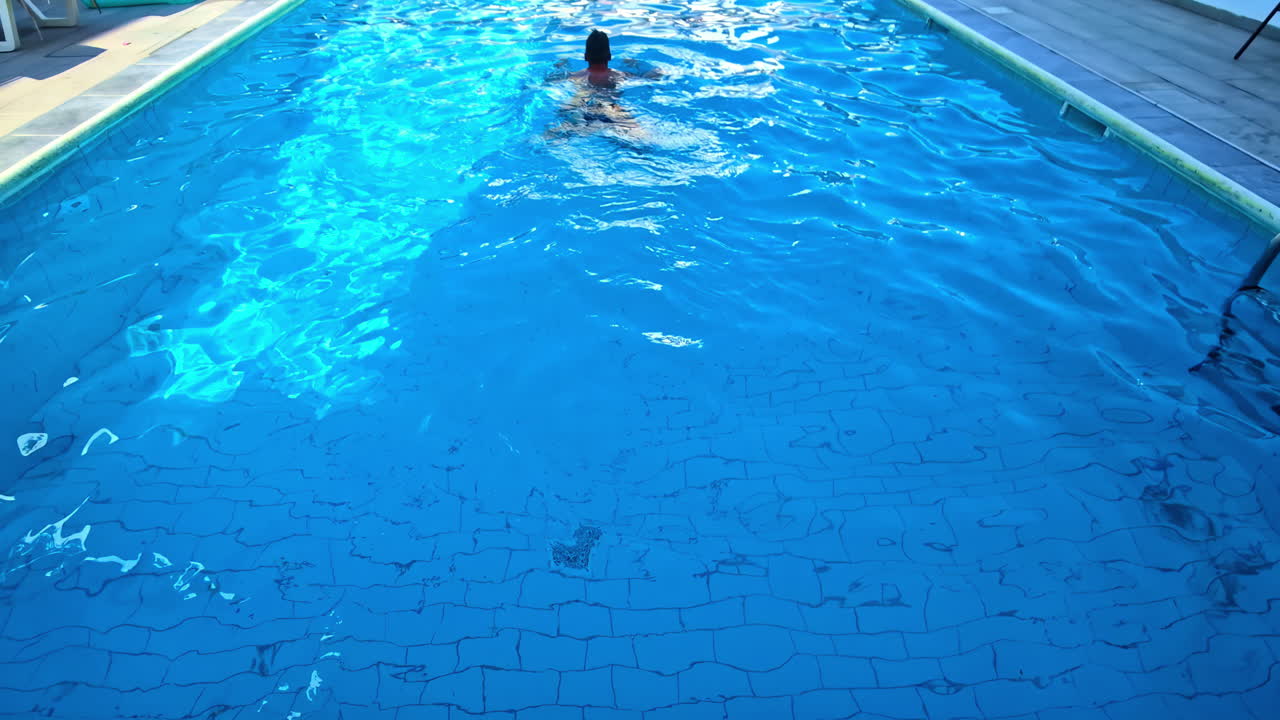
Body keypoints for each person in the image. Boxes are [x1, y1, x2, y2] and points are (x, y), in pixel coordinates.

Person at [548, 30, 659, 140]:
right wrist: (635, 64)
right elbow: (656, 74)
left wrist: (559, 66)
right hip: (610, 109)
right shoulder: (620, 75)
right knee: (644, 139)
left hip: (581, 107)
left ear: (585, 57)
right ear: (609, 56)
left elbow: (549, 80)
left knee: (551, 135)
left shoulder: (575, 76)